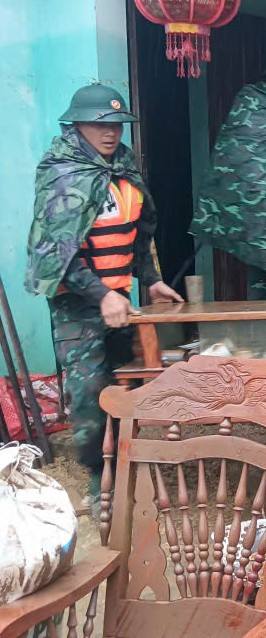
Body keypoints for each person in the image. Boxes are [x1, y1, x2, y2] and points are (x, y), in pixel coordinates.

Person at [25, 83, 183, 501]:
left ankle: (128, 466)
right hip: (79, 307)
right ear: (76, 125)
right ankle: (100, 484)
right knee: (90, 394)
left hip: (119, 301)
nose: (110, 132)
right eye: (100, 125)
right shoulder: (63, 174)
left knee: (125, 384)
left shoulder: (124, 169)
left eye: (116, 124)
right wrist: (102, 295)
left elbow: (138, 234)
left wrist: (150, 279)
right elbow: (57, 255)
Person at [191, 47, 266, 300]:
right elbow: (257, 177)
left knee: (262, 282)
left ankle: (261, 324)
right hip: (264, 218)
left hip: (261, 220)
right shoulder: (259, 111)